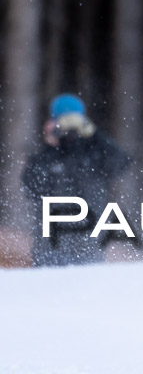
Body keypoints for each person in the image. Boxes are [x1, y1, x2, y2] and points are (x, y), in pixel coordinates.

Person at [22, 93, 131, 266]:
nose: (69, 128)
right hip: (51, 245)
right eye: (64, 120)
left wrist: (94, 135)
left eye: (74, 120)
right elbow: (30, 186)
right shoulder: (47, 156)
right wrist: (50, 146)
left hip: (88, 242)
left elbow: (122, 163)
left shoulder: (95, 152)